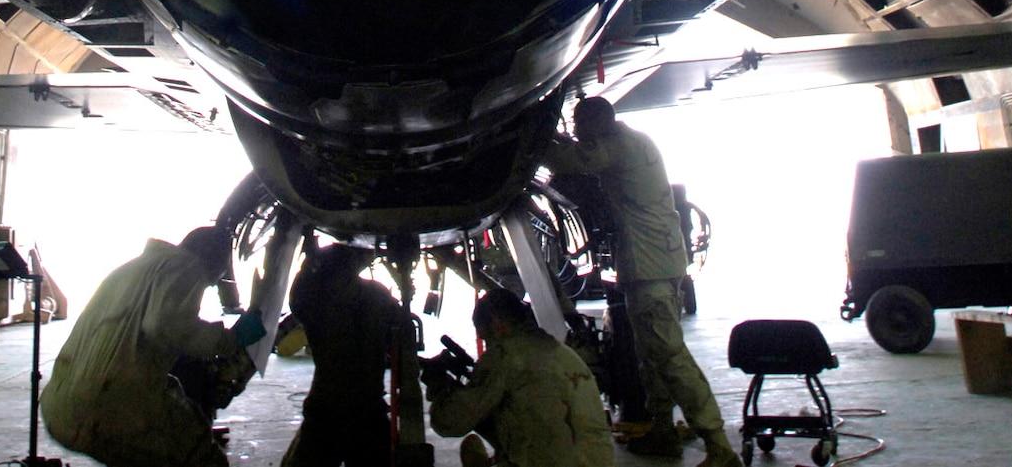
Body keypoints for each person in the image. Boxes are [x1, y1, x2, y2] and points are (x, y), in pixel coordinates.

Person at [542, 96, 738, 466]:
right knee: (650, 355)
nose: (577, 133)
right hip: (651, 264)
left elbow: (575, 161)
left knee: (669, 355)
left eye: (580, 126)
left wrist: (536, 135)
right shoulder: (629, 139)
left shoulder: (618, 147)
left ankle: (718, 445)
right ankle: (663, 430)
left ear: (597, 124)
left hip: (651, 269)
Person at [40, 225, 259, 467]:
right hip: (102, 411)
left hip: (60, 407)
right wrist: (231, 339)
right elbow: (164, 324)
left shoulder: (136, 268)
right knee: (208, 461)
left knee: (171, 405)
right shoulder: (186, 267)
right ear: (217, 261)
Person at [426, 288, 614, 467]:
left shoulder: (505, 355)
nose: (488, 344)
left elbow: (451, 422)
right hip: (595, 459)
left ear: (498, 325)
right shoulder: (557, 350)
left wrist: (440, 389)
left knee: (475, 435)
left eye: (486, 337)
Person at [281, 243, 418, 467]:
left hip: (326, 411)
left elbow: (297, 301)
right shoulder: (377, 294)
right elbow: (403, 328)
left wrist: (307, 265)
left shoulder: (319, 300)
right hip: (368, 410)